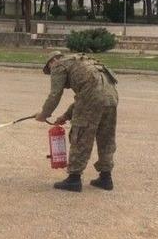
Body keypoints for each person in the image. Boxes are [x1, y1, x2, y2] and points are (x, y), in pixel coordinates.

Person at [35, 51, 119, 192]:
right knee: (106, 138)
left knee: (80, 136)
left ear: (51, 62)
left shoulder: (58, 65)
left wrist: (44, 114)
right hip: (111, 98)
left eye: (49, 70)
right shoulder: (84, 61)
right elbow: (86, 96)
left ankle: (74, 179)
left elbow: (55, 94)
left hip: (92, 98)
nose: (51, 72)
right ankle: (106, 178)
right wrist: (65, 117)